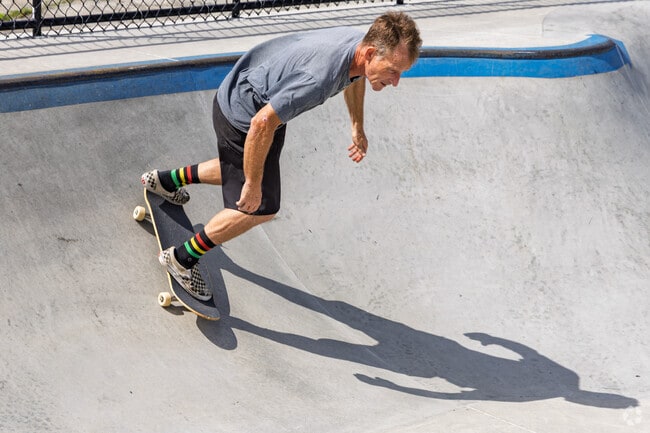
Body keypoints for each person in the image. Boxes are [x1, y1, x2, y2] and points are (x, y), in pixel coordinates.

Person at [141, 12, 422, 300]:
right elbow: (261, 124)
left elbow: (359, 76)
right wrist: (251, 185)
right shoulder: (320, 77)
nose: (396, 81)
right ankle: (182, 259)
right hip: (246, 112)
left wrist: (356, 124)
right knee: (259, 206)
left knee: (248, 172)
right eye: (393, 70)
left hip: (259, 95)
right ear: (371, 53)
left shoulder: (358, 45)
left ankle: (165, 181)